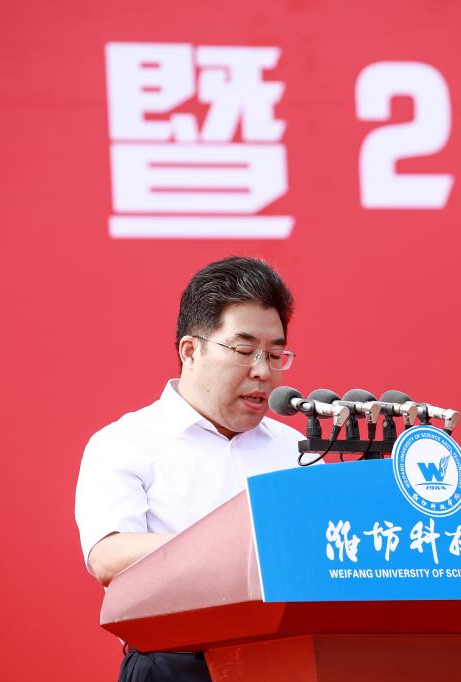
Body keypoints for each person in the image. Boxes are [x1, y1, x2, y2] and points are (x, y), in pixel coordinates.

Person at [75, 256, 308, 682]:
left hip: (288, 660)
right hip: (177, 663)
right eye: (244, 351)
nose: (263, 371)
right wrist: (235, 548)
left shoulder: (296, 450)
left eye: (276, 354)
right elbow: (108, 556)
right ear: (191, 350)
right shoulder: (125, 441)